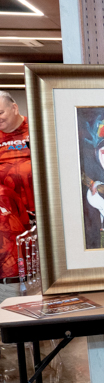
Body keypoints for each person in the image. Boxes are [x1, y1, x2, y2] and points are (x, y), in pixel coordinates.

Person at [0, 91, 32, 301]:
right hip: (7, 222)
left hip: (39, 220)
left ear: (14, 108)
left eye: (0, 112)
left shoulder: (38, 128)